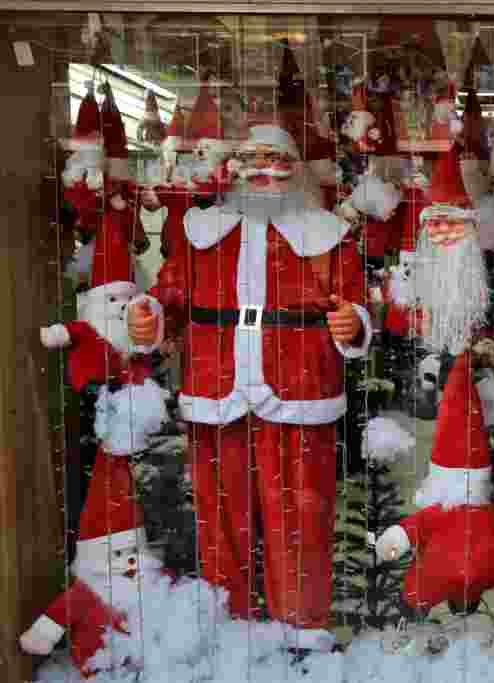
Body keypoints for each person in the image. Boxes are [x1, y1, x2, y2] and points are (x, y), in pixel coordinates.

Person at [126, 111, 371, 654]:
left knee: (303, 517)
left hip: (301, 389)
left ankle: (303, 631)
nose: (266, 171)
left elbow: (354, 304)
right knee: (220, 519)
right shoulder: (201, 233)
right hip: (217, 390)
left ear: (295, 171)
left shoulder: (328, 237)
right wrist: (147, 317)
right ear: (236, 170)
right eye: (255, 161)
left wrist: (352, 324)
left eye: (277, 161)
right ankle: (228, 627)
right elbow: (166, 298)